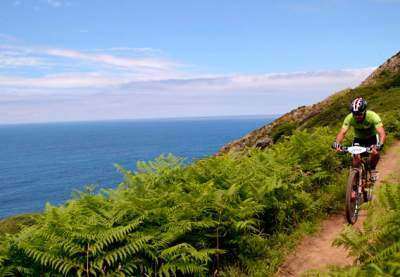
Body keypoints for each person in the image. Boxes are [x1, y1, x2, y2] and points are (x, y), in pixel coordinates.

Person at [333, 97, 386, 181]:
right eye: (355, 114)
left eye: (359, 114)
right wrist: (337, 143)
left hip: (371, 138)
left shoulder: (373, 116)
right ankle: (355, 184)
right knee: (355, 158)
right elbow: (342, 132)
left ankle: (372, 170)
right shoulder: (349, 118)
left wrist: (380, 144)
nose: (357, 117)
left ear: (364, 112)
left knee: (375, 153)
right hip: (358, 139)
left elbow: (381, 133)